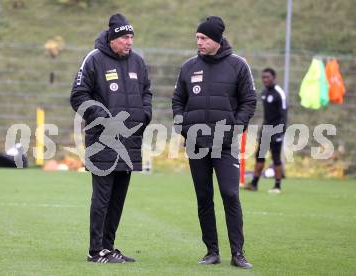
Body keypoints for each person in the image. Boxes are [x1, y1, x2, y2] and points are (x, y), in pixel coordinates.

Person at [172, 16, 256, 269]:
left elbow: (249, 101)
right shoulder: (188, 67)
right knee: (204, 196)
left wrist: (235, 128)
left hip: (226, 143)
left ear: (217, 40)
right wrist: (183, 126)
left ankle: (238, 253)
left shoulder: (238, 66)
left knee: (230, 194)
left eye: (204, 38)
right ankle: (212, 251)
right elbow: (177, 101)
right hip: (196, 144)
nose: (199, 42)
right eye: (197, 38)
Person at [70, 13, 152, 264]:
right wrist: (103, 118)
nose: (130, 42)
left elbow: (147, 92)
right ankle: (95, 251)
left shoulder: (138, 62)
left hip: (130, 141)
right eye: (125, 37)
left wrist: (145, 114)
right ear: (113, 38)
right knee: (102, 197)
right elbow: (78, 96)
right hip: (102, 140)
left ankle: (108, 247)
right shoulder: (93, 60)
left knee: (118, 199)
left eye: (132, 37)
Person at [244, 68, 287, 193]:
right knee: (260, 157)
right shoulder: (264, 93)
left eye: (267, 77)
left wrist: (280, 132)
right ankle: (254, 184)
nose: (265, 80)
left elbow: (284, 115)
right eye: (263, 77)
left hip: (276, 130)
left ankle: (277, 186)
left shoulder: (279, 93)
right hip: (266, 130)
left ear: (274, 78)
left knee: (276, 158)